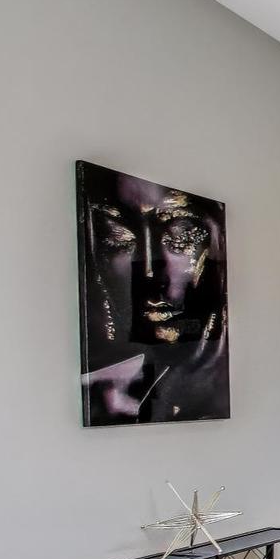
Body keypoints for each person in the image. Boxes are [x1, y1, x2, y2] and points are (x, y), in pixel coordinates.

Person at [77, 162, 229, 425]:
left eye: (181, 237)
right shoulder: (105, 398)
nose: (148, 273)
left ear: (219, 247)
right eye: (117, 239)